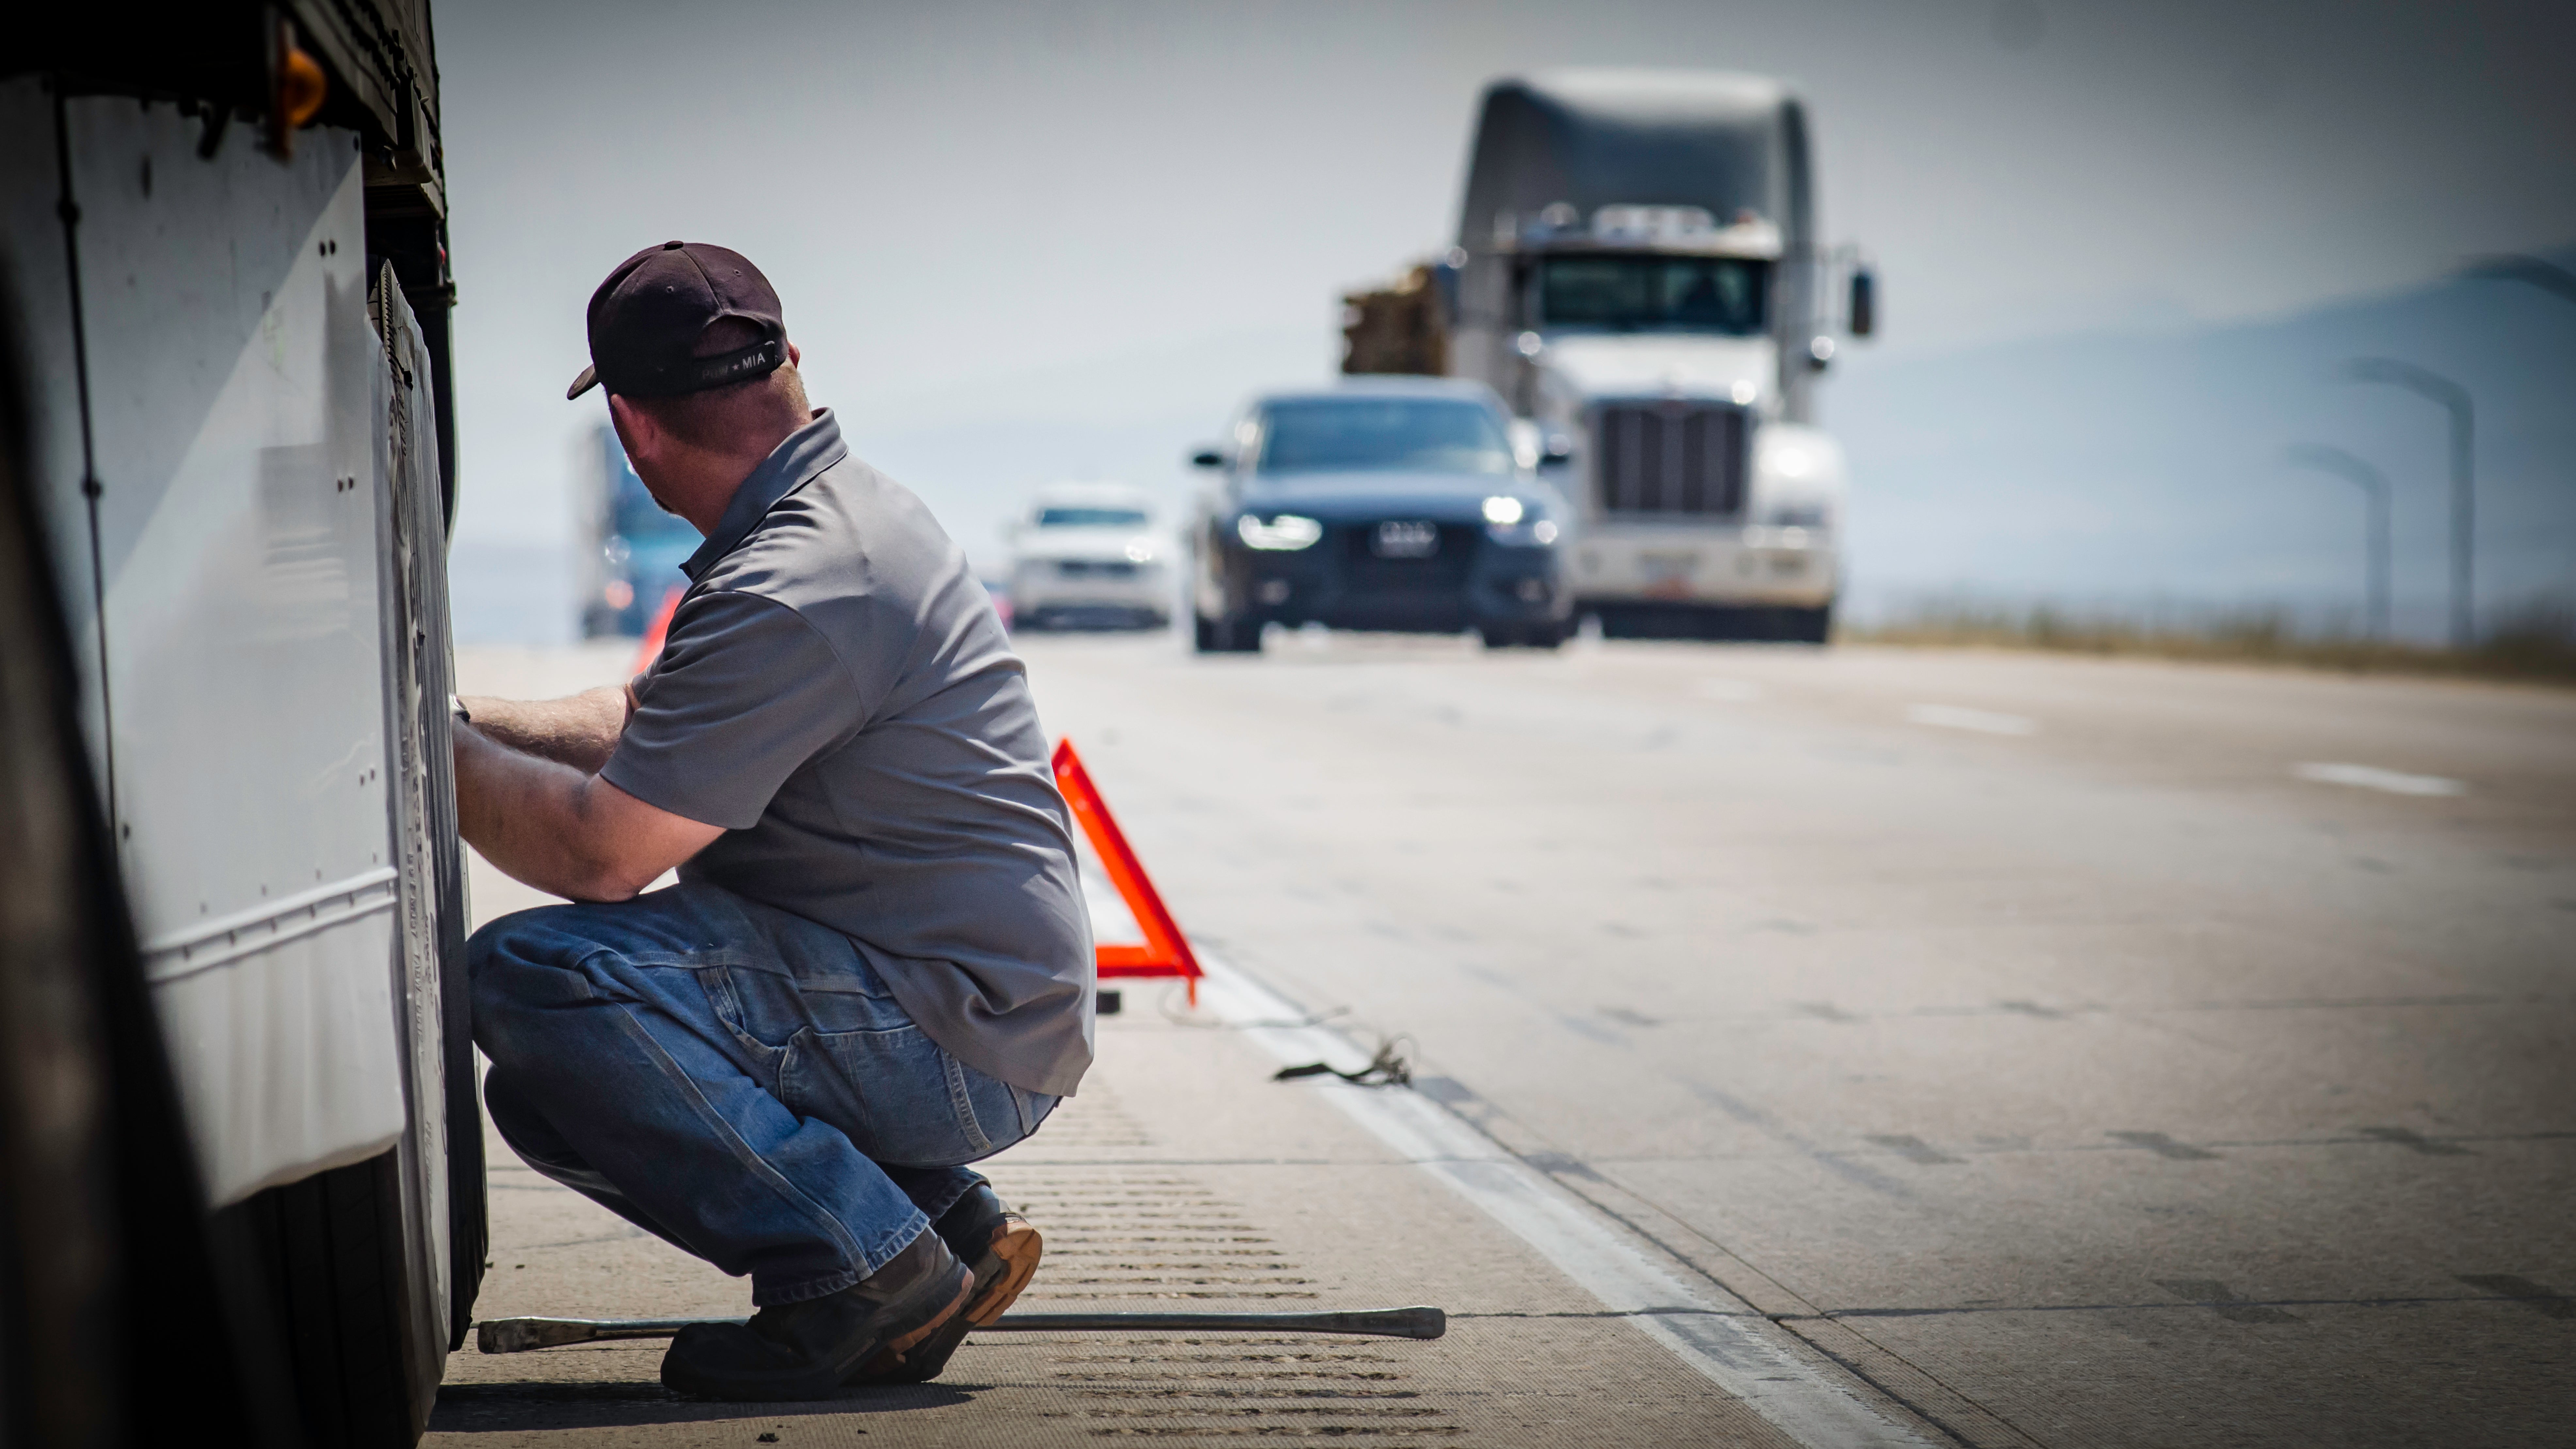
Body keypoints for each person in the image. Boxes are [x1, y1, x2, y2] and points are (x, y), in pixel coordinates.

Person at [453, 241, 1094, 1401]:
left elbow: (602, 857)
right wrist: (461, 716)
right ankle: (939, 1231)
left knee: (539, 976)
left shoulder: (796, 581)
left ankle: (865, 1267)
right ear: (790, 362)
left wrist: (417, 749)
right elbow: (646, 718)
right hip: (970, 999)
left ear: (634, 429)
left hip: (953, 1031)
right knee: (551, 1091)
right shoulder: (836, 523)